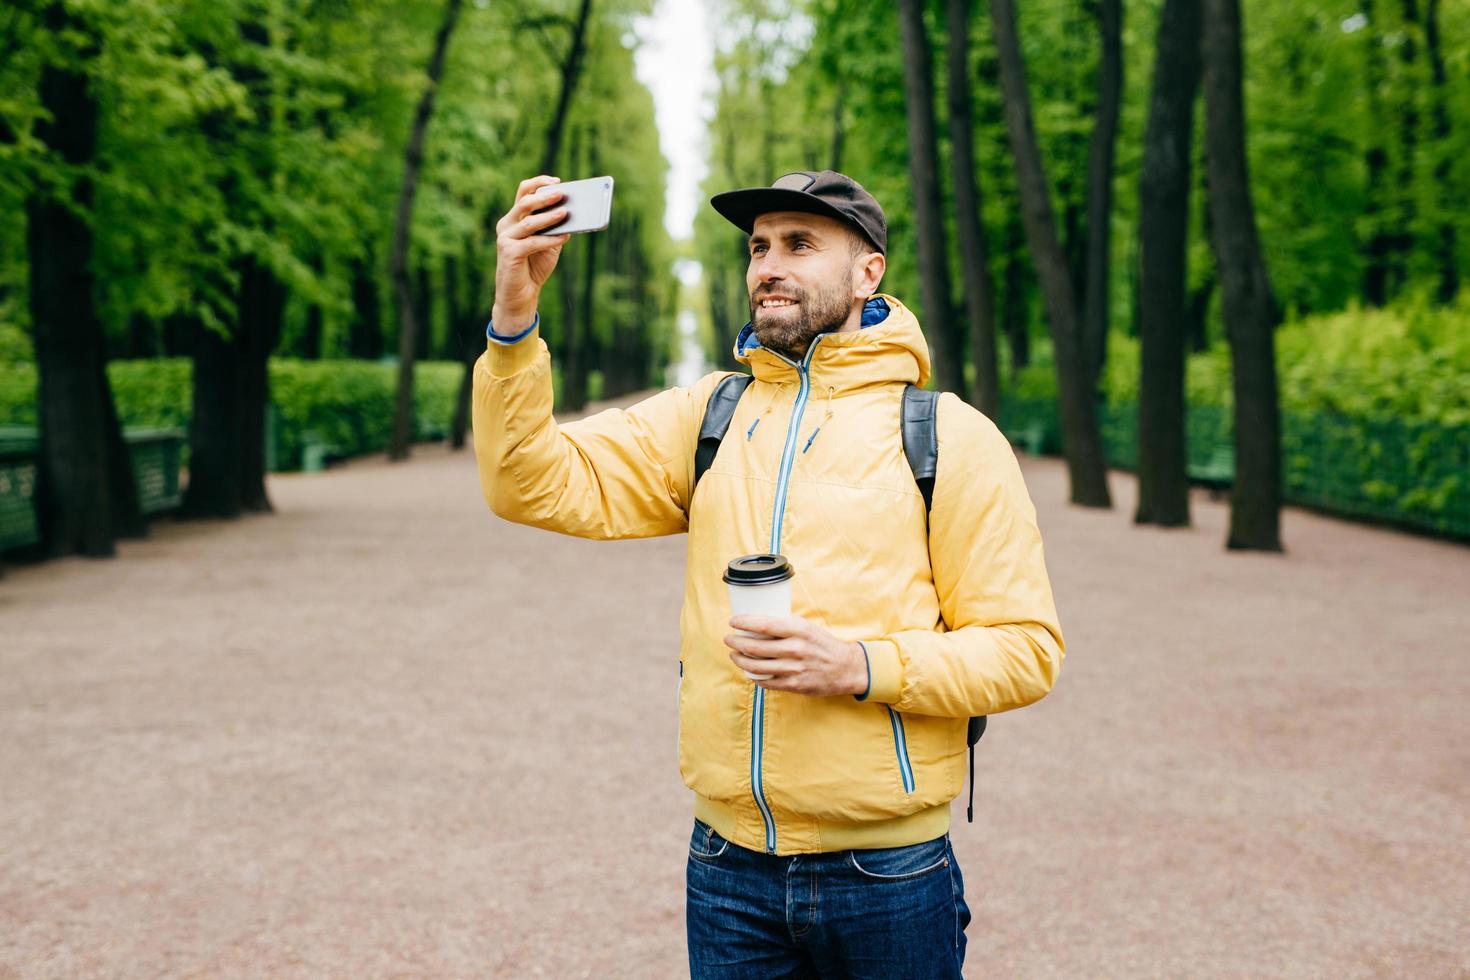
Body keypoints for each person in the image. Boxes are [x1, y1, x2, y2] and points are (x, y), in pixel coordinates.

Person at [474, 169, 1066, 979]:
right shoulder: (709, 416)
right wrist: (514, 317)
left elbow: (1026, 649)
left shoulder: (946, 437)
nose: (768, 265)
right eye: (758, 247)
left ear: (869, 272)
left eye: (799, 243)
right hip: (726, 868)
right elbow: (525, 481)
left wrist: (861, 666)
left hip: (887, 873)